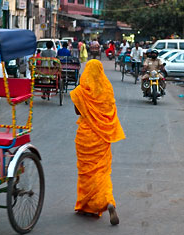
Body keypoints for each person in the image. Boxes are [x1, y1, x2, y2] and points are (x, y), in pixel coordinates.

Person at [70, 59, 125, 225]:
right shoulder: (107, 90)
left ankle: (87, 205)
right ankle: (107, 200)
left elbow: (77, 111)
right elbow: (110, 111)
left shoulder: (81, 91)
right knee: (101, 171)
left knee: (87, 172)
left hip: (85, 136)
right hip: (101, 136)